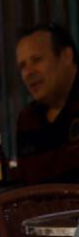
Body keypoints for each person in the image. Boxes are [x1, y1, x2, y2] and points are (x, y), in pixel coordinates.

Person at [14, 22, 79, 184]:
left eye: (36, 60)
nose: (28, 73)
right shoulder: (27, 119)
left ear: (66, 57)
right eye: (22, 66)